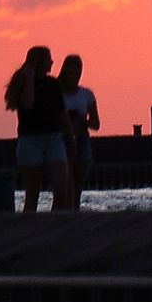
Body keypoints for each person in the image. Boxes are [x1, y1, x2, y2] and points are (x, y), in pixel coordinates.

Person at [5, 45, 70, 213]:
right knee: (33, 192)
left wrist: (69, 135)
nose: (52, 63)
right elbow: (28, 103)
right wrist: (28, 78)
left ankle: (55, 223)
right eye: (49, 59)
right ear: (40, 62)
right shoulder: (23, 83)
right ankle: (29, 226)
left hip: (54, 138)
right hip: (30, 140)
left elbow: (61, 112)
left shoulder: (53, 84)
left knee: (61, 189)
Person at [58, 54, 100, 210]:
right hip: (62, 137)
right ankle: (65, 209)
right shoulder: (57, 93)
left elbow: (96, 124)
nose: (75, 76)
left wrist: (83, 121)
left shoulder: (86, 94)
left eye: (77, 73)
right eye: (71, 72)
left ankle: (75, 209)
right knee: (66, 180)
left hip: (82, 137)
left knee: (79, 182)